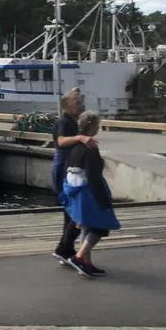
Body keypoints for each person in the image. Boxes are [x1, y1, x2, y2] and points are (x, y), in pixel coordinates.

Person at [59, 111, 120, 277]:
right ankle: (79, 258)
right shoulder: (91, 148)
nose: (98, 128)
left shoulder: (75, 146)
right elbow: (94, 177)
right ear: (92, 126)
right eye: (97, 125)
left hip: (76, 191)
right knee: (100, 226)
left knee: (86, 226)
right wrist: (104, 200)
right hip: (89, 193)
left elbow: (68, 169)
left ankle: (87, 263)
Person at [50, 88, 98, 264]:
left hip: (69, 167)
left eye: (80, 102)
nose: (81, 105)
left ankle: (66, 249)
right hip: (64, 168)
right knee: (74, 213)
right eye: (77, 103)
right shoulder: (64, 121)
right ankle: (63, 248)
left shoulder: (72, 120)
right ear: (67, 106)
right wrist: (80, 138)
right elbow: (61, 141)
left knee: (71, 214)